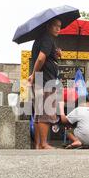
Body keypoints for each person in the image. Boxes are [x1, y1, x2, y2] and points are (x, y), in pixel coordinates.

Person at [28, 19, 62, 150]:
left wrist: (56, 54)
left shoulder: (41, 39)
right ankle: (43, 144)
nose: (58, 29)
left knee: (38, 113)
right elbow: (41, 58)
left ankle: (38, 144)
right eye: (55, 26)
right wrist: (33, 75)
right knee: (45, 111)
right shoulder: (48, 38)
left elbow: (45, 57)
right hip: (46, 80)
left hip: (41, 80)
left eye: (60, 27)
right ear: (48, 26)